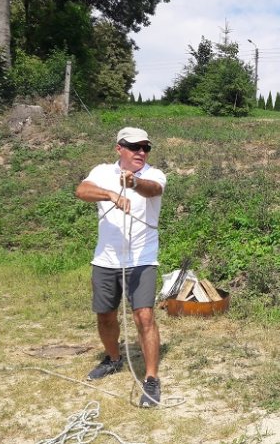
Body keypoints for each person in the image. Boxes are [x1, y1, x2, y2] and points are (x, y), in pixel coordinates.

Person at [75, 127, 167, 408]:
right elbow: (81, 191)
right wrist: (111, 194)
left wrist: (134, 183)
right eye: (134, 147)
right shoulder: (102, 171)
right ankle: (114, 359)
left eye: (146, 148)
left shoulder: (154, 174)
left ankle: (151, 379)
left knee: (144, 316)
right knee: (105, 316)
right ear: (119, 148)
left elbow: (154, 189)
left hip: (142, 260)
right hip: (106, 259)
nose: (141, 152)